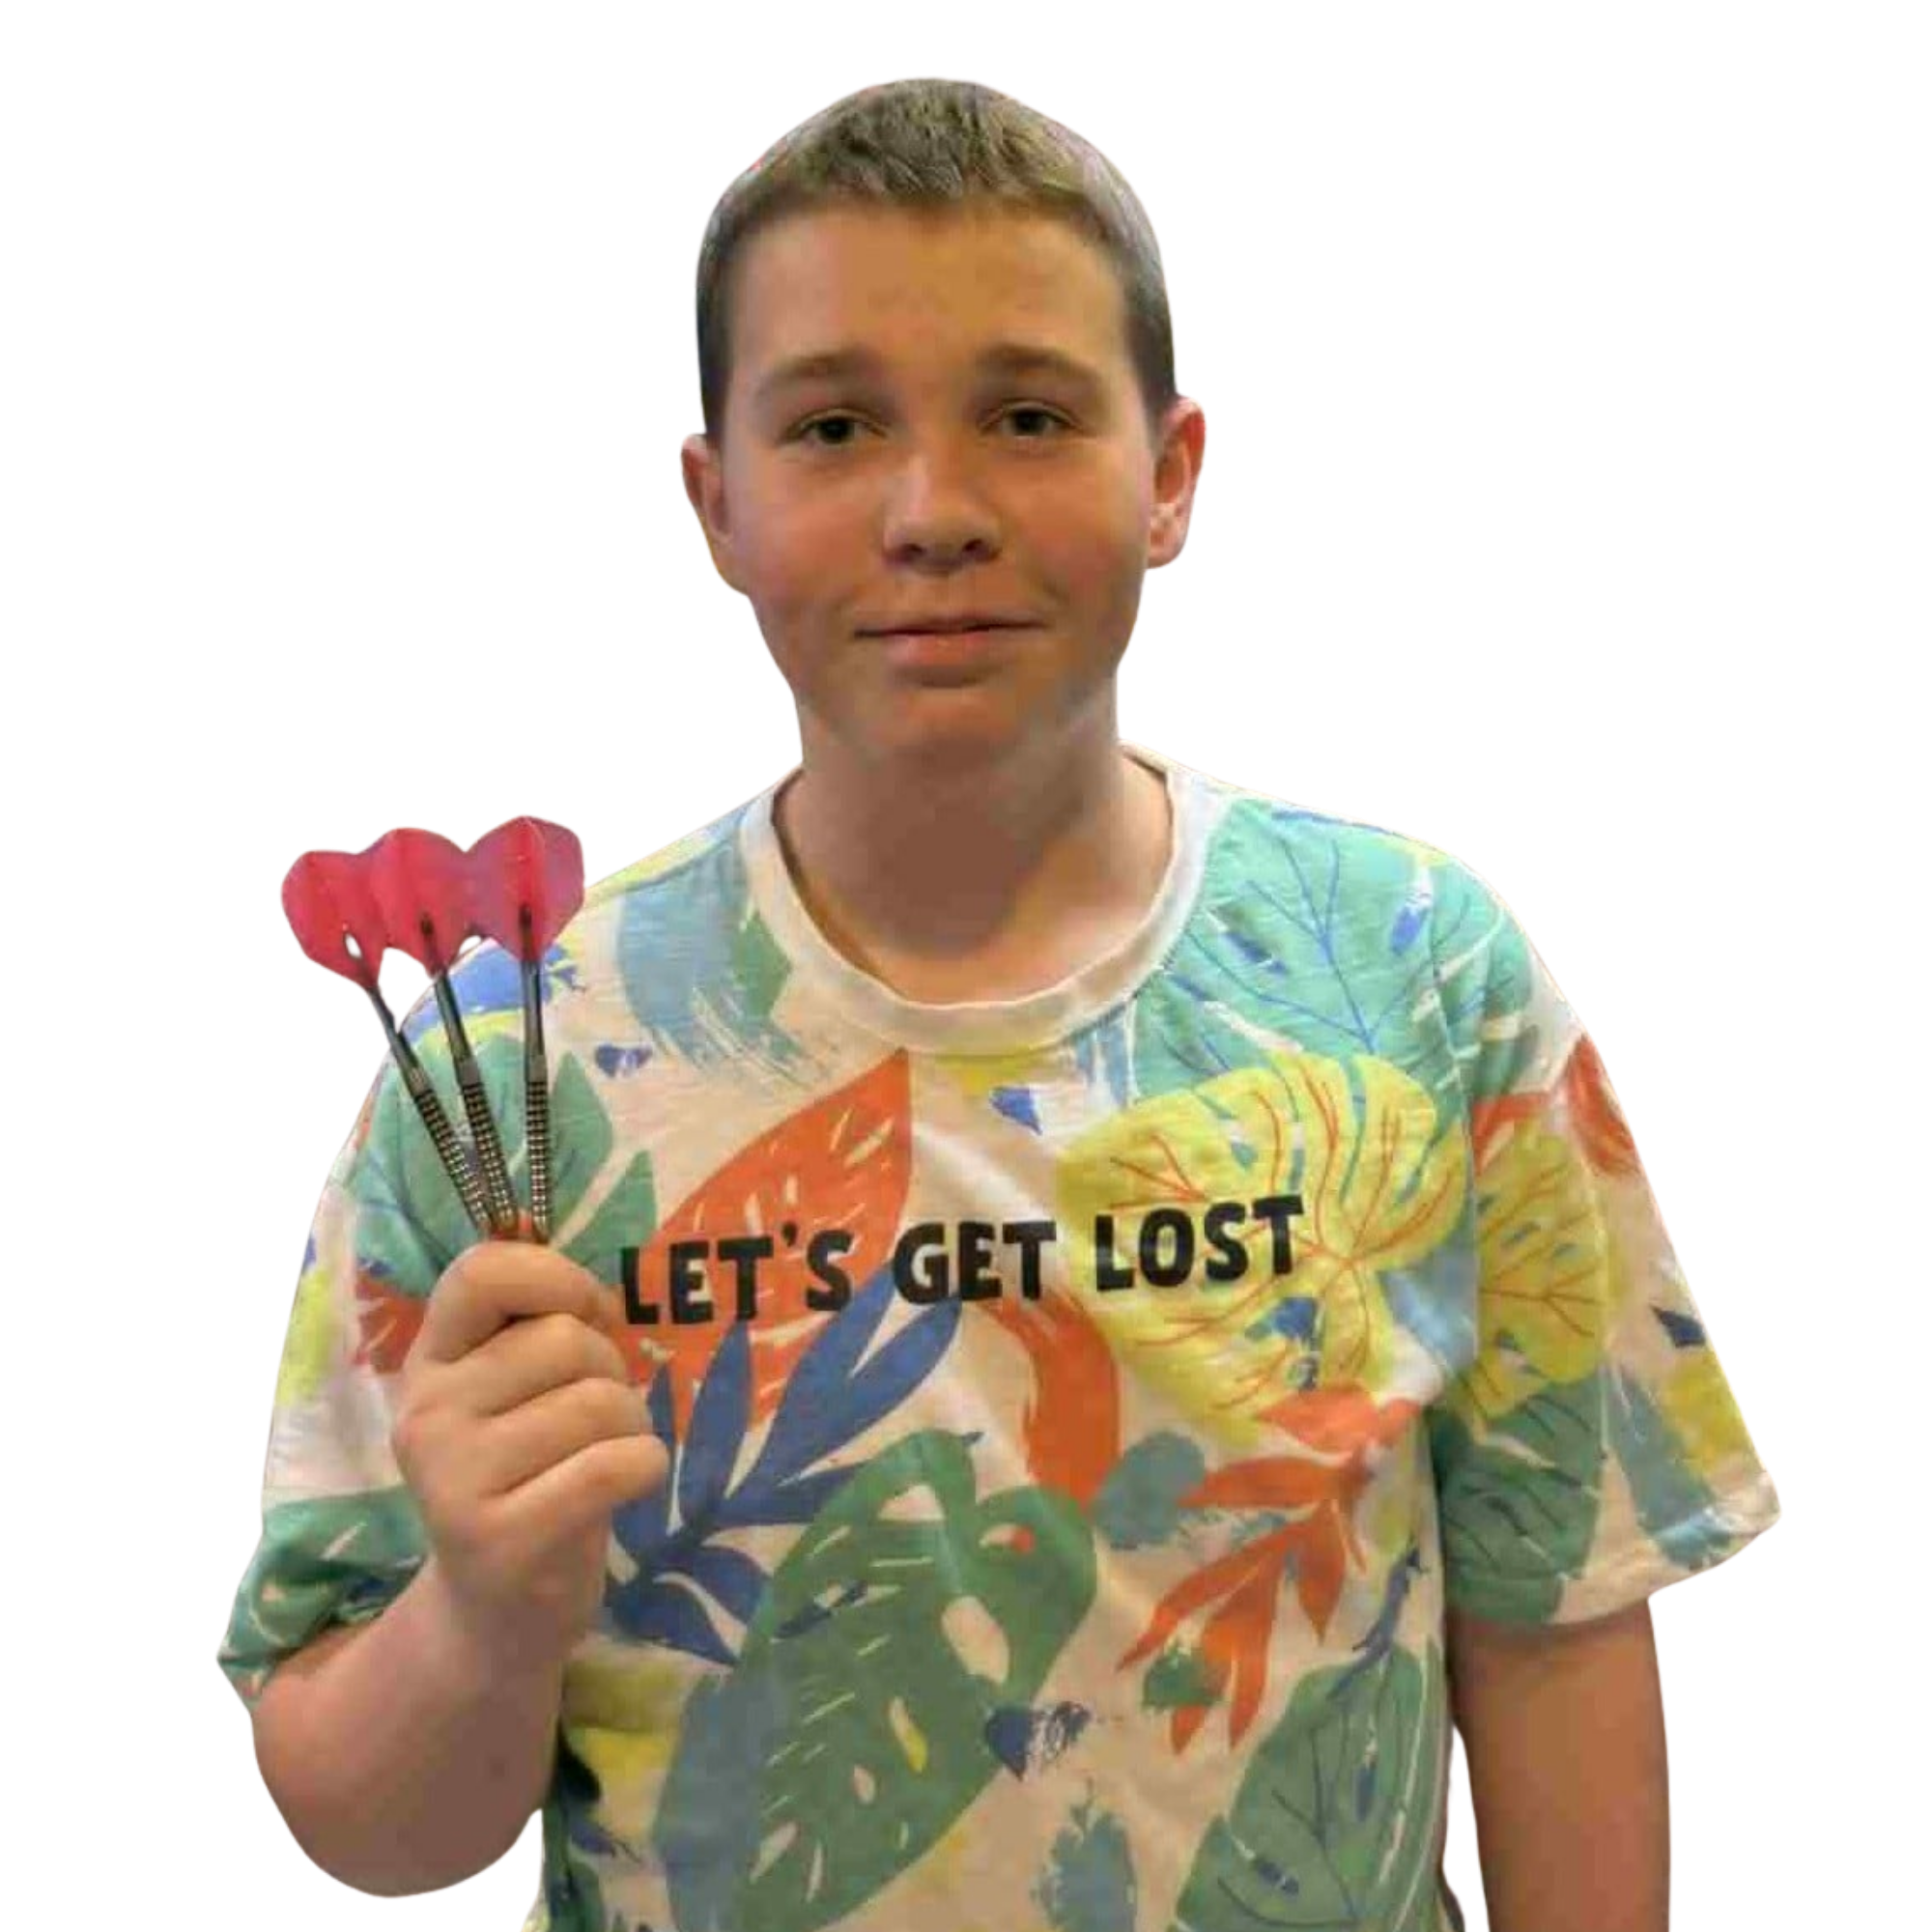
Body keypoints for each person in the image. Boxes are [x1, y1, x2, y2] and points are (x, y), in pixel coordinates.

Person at [219, 76, 1782, 1931]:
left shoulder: (1424, 966)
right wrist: (481, 1618)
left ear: (1172, 473)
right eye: (834, 426)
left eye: (1029, 415)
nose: (933, 511)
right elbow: (373, 1831)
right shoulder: (508, 1063)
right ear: (716, 505)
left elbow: (1558, 1619)